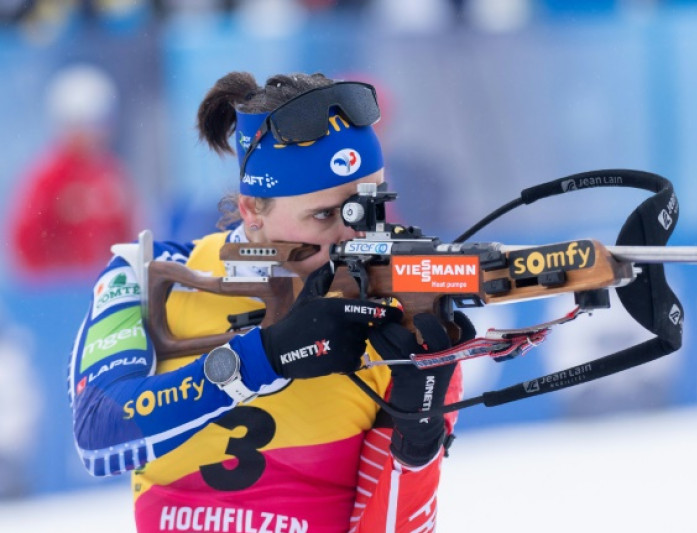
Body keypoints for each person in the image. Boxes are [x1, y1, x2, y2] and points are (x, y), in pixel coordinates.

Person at [68, 71, 471, 533]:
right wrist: (264, 358)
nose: (353, 235)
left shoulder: (401, 317)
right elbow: (98, 433)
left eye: (369, 209)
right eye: (324, 214)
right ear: (251, 210)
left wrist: (416, 443)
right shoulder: (147, 274)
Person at [10, 63, 138, 277]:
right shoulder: (47, 178)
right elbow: (26, 242)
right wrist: (53, 280)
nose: (94, 134)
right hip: (60, 288)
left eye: (100, 124)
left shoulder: (111, 174)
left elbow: (127, 235)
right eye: (85, 125)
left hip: (102, 282)